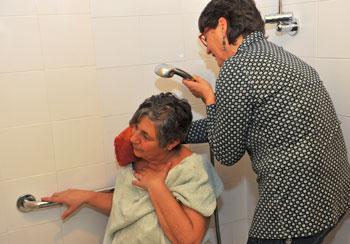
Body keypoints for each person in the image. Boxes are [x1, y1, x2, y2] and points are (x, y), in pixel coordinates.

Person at [181, 0, 350, 243]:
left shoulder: (237, 68)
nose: (207, 50)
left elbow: (226, 152)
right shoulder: (283, 58)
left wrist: (209, 98)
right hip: (332, 195)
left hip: (295, 212)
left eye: (205, 38)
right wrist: (176, 133)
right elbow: (229, 125)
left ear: (221, 26)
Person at [43, 92, 223, 244]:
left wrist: (156, 186)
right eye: (135, 128)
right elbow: (128, 205)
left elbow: (189, 239)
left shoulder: (192, 171)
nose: (133, 138)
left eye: (145, 136)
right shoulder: (134, 154)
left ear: (172, 142)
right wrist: (87, 197)